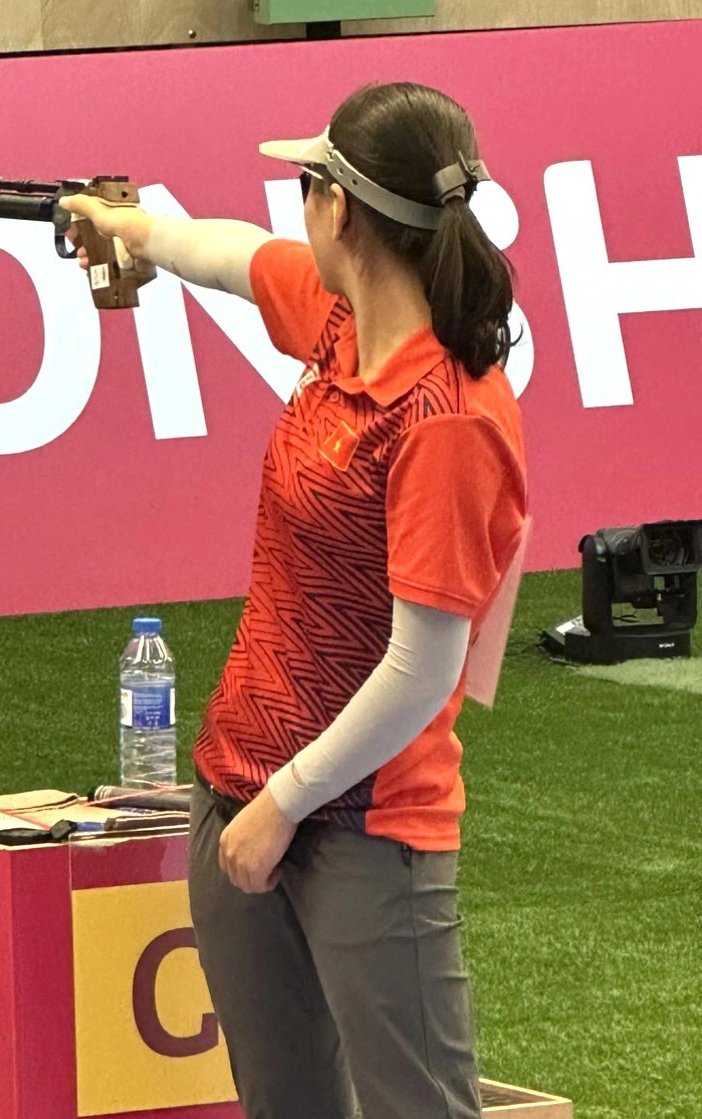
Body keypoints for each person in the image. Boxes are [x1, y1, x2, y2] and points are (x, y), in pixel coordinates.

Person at [60, 81, 527, 1119]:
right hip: (243, 790)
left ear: (343, 212)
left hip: (363, 824)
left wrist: (282, 805)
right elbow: (219, 254)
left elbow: (423, 668)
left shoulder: (448, 416)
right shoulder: (341, 318)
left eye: (307, 184)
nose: (295, 207)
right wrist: (127, 226)